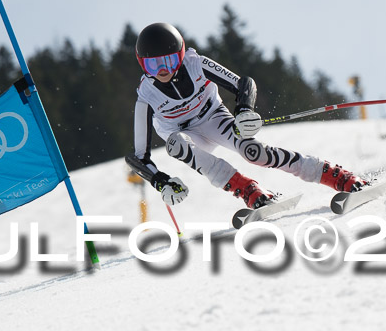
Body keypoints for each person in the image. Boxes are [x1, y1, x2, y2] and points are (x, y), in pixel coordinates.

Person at [126, 22, 365, 210]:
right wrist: (160, 181)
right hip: (185, 136)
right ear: (142, 65)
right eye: (153, 66)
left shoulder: (196, 64)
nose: (163, 71)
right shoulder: (146, 95)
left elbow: (243, 84)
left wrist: (244, 110)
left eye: (168, 61)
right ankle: (247, 189)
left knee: (254, 152)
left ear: (180, 55)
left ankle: (333, 174)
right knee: (176, 144)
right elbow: (138, 157)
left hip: (213, 118)